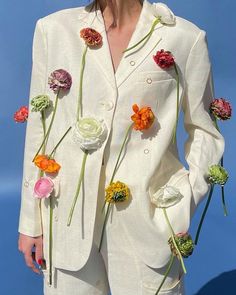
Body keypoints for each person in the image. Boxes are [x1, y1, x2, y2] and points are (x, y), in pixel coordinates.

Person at [18, 0, 225, 294]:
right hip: (66, 222)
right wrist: (31, 220)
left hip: (148, 221)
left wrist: (182, 203)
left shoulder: (184, 38)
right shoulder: (54, 31)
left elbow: (205, 130)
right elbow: (40, 129)